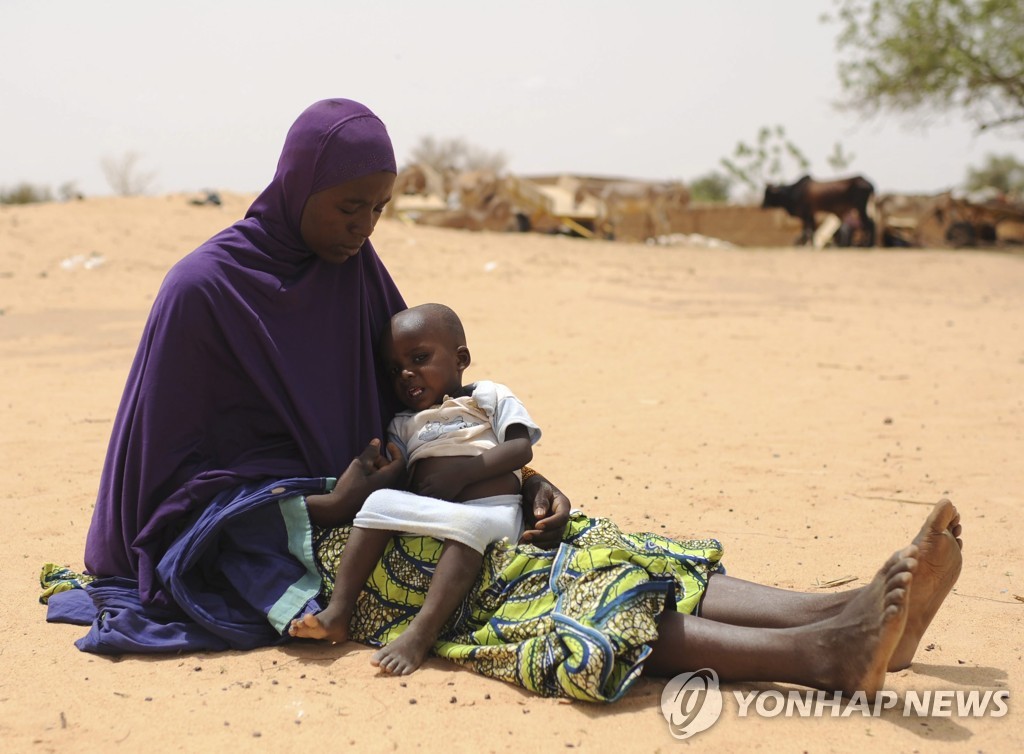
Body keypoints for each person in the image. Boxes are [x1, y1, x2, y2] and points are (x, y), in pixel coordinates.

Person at [41, 97, 962, 705]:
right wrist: (336, 499)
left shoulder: (352, 271)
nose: (364, 230)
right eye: (347, 208)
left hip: (404, 487)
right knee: (528, 587)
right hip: (299, 541)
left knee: (589, 540)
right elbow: (170, 482)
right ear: (294, 188)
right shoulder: (204, 290)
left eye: (379, 210)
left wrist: (520, 472)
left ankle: (841, 611)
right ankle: (821, 657)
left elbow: (411, 400)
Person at [290, 303, 541, 675]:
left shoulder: (486, 395)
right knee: (377, 503)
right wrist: (372, 477)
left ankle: (421, 634)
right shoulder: (405, 422)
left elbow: (520, 448)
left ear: (460, 359)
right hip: (435, 510)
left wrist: (463, 475)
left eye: (420, 358)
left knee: (467, 529)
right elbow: (401, 474)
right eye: (394, 370)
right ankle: (339, 612)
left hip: (492, 511)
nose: (406, 374)